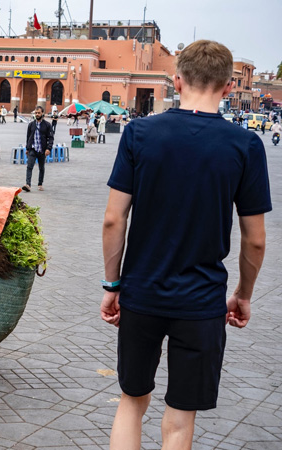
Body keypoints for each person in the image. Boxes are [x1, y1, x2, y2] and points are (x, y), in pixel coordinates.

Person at [100, 40, 271, 450]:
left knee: (131, 401)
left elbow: (113, 218)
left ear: (177, 81)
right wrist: (243, 295)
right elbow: (256, 240)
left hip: (141, 293)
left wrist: (112, 285)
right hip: (202, 300)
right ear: (229, 86)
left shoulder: (139, 133)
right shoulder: (245, 146)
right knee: (179, 418)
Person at [22, 106, 53, 192]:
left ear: (42, 113)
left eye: (39, 113)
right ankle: (28, 184)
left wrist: (48, 148)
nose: (37, 114)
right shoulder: (31, 125)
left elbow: (50, 138)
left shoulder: (47, 125)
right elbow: (28, 137)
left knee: (41, 168)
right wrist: (27, 148)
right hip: (33, 149)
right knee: (29, 167)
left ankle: (40, 184)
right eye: (36, 113)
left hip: (42, 150)